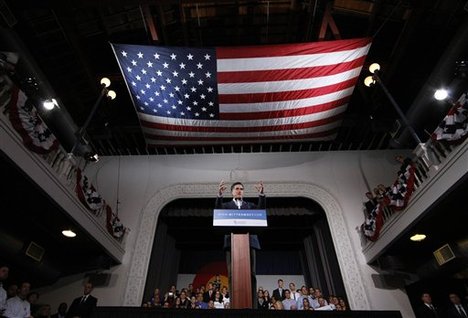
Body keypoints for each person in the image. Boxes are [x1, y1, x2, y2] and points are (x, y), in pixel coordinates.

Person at [215, 180, 265, 308]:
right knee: (232, 275)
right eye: (236, 188)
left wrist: (261, 196)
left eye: (241, 189)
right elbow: (218, 212)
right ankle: (234, 305)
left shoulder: (250, 205)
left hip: (250, 243)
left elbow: (261, 212)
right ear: (232, 191)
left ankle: (253, 306)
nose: (239, 190)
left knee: (251, 274)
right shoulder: (225, 205)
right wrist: (219, 196)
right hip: (231, 244)